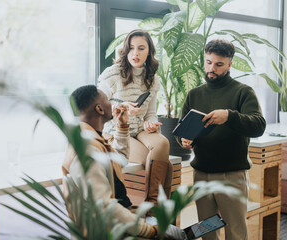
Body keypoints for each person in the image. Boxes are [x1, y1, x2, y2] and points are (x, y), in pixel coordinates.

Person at [180, 39, 266, 240]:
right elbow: (183, 131)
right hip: (201, 175)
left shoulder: (243, 92)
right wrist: (184, 141)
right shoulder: (194, 94)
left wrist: (229, 116)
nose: (212, 68)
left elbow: (258, 125)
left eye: (219, 64)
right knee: (207, 230)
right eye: (208, 62)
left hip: (231, 176)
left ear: (230, 64)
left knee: (235, 231)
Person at [62, 85, 162, 238]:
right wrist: (149, 231)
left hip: (120, 221)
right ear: (100, 109)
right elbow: (105, 206)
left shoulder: (92, 138)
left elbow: (117, 162)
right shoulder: (86, 149)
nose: (112, 104)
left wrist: (121, 127)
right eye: (108, 100)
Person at [98, 29, 172, 203]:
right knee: (167, 166)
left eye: (141, 48)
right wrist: (120, 107)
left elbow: (151, 113)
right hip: (115, 130)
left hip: (139, 129)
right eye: (131, 48)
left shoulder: (152, 79)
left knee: (162, 142)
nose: (135, 53)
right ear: (125, 50)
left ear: (149, 52)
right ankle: (154, 208)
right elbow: (97, 106)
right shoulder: (113, 73)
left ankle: (153, 207)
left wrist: (151, 124)